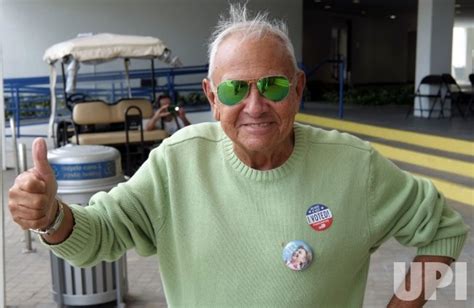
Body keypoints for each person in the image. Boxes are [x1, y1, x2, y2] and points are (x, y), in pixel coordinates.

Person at [8, 4, 468, 307]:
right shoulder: (176, 164)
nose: (254, 106)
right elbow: (100, 235)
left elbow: (445, 232)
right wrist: (51, 217)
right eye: (234, 89)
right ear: (211, 96)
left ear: (299, 89)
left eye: (273, 85)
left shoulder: (354, 166)